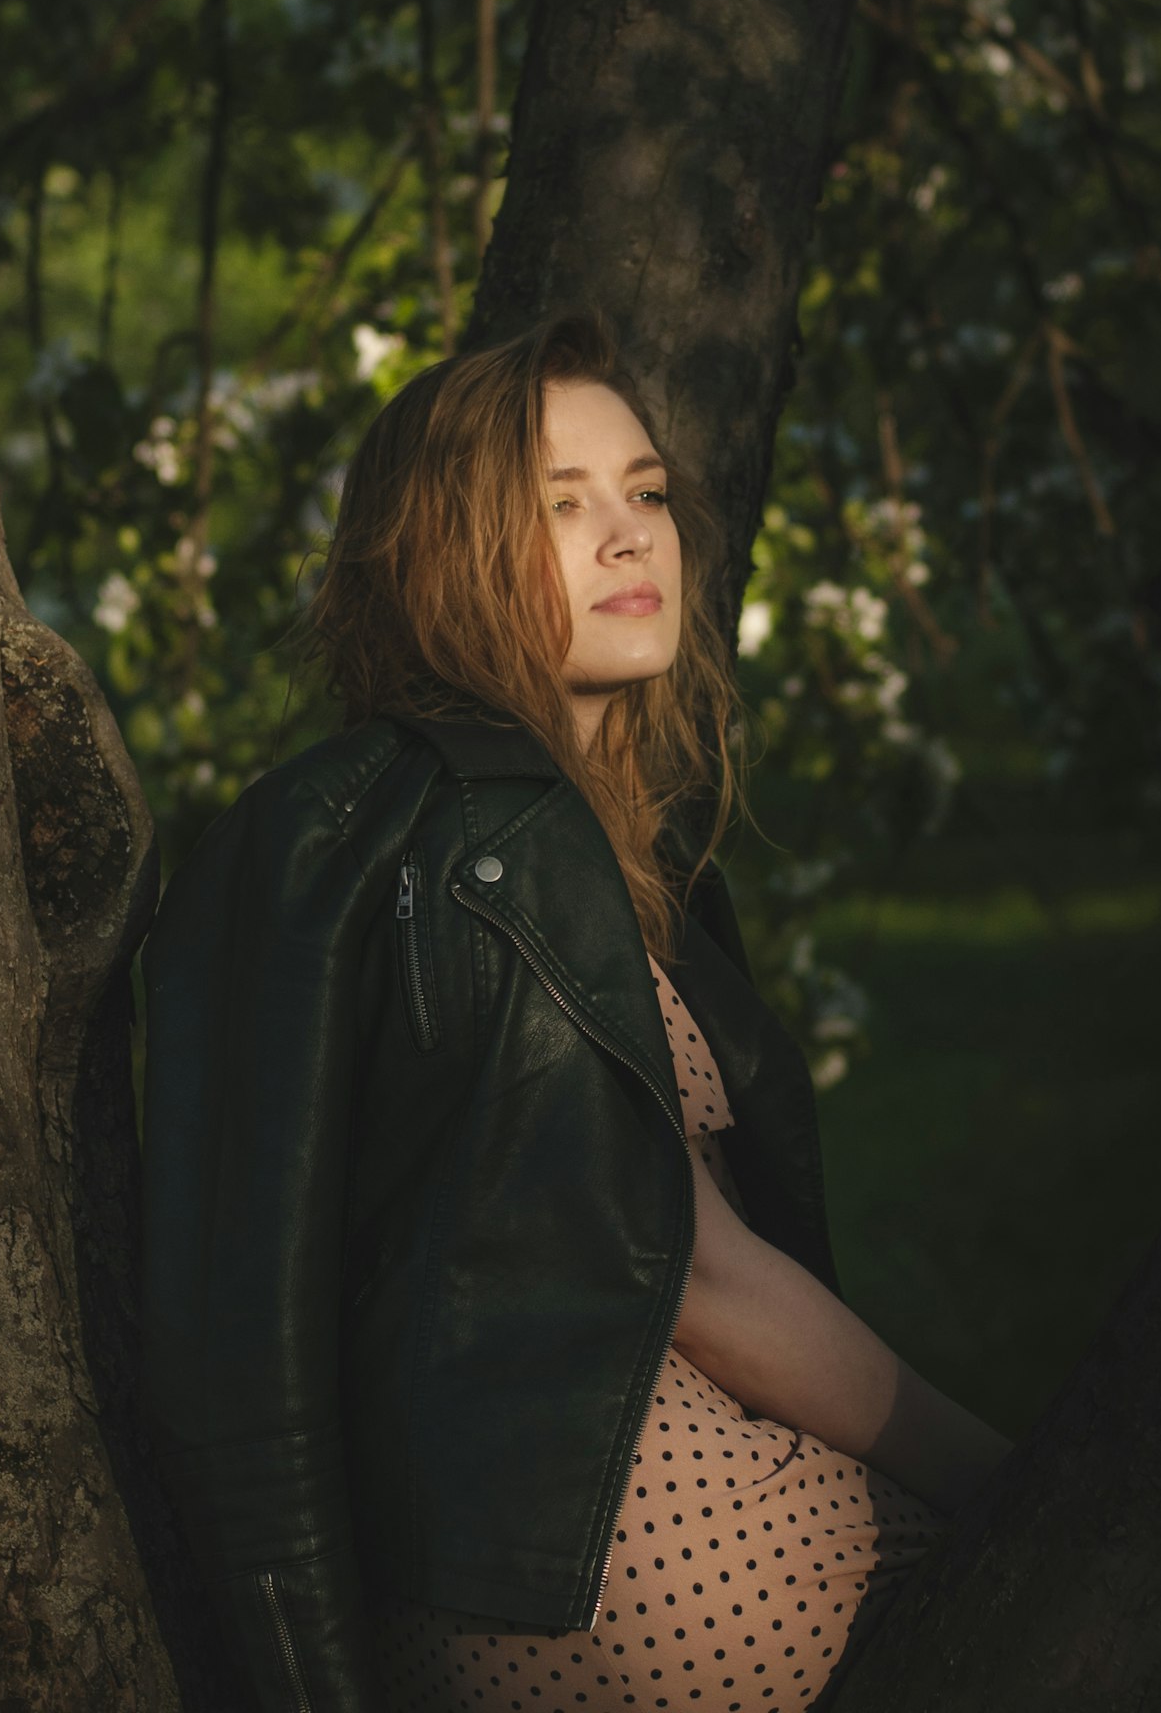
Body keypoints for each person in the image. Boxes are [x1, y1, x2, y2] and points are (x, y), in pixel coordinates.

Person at [141, 311, 1010, 1713]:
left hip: (477, 1603)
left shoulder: (533, 840)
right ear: (442, 552)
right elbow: (709, 1280)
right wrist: (1017, 1481)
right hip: (660, 1563)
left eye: (648, 493)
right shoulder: (494, 835)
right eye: (563, 505)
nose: (631, 538)